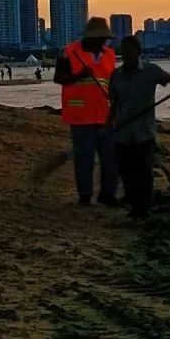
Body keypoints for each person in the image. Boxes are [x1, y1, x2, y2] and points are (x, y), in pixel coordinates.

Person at [109, 36, 170, 219]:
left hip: (143, 132)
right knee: (126, 171)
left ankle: (143, 207)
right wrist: (108, 124)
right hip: (121, 132)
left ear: (137, 52)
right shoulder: (116, 75)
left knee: (144, 172)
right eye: (123, 50)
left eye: (129, 50)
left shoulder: (151, 71)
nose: (125, 54)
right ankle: (135, 204)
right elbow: (114, 102)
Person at [54, 17, 119, 207]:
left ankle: (107, 194)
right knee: (85, 158)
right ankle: (85, 195)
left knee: (110, 157)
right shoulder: (69, 52)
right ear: (91, 37)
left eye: (104, 39)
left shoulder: (109, 55)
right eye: (99, 38)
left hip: (105, 114)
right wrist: (77, 76)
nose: (102, 42)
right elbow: (59, 78)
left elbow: (112, 82)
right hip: (80, 115)